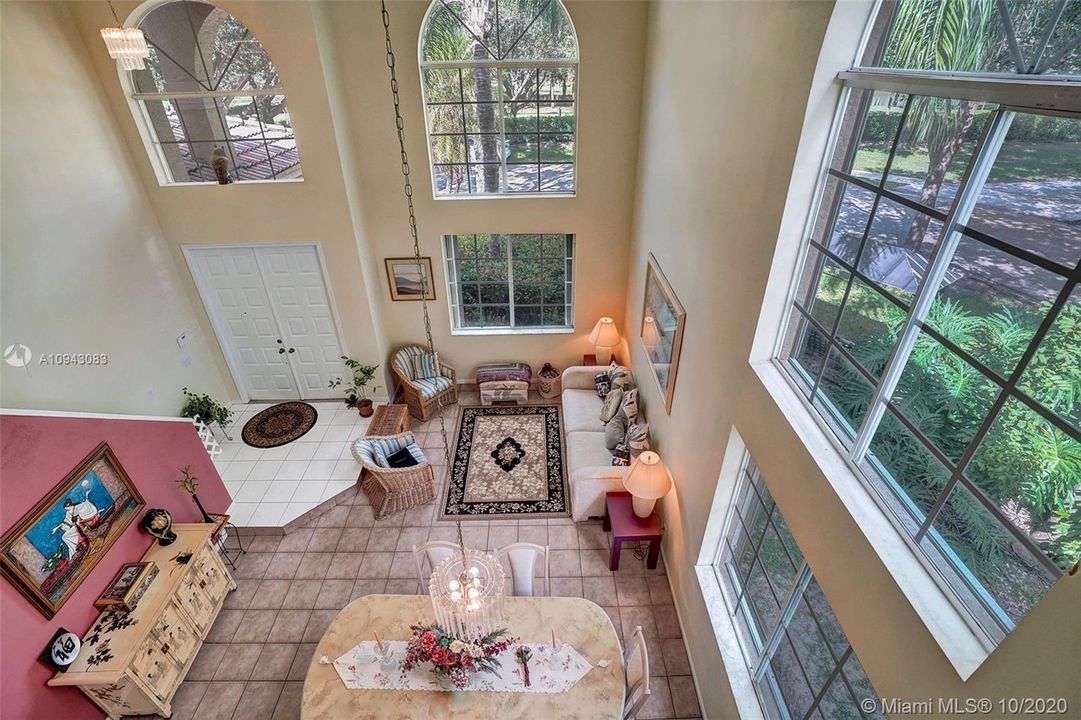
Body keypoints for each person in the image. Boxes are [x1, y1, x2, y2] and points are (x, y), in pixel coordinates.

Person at [51, 489, 100, 559]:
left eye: (68, 508)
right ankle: (74, 551)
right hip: (76, 527)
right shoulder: (68, 513)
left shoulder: (78, 507)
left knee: (77, 527)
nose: (67, 510)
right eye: (66, 510)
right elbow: (66, 522)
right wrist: (57, 528)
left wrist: (86, 496)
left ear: (70, 506)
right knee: (64, 537)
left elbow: (86, 507)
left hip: (84, 523)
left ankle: (83, 541)